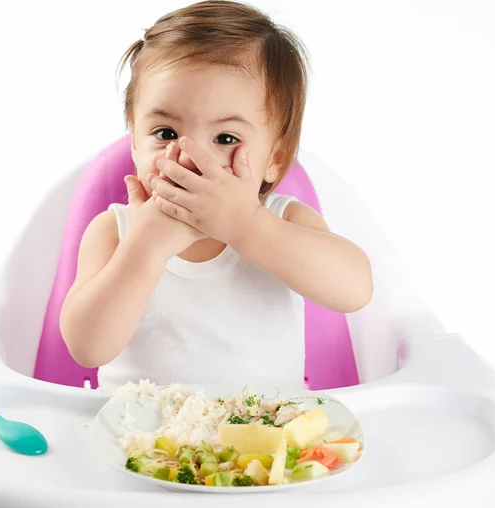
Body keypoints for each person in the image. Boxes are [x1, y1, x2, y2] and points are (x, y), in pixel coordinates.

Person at [60, 0, 373, 391]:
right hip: (142, 442)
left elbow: (355, 290)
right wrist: (145, 248)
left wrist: (245, 225)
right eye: (165, 133)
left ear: (274, 159)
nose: (191, 156)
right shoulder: (115, 230)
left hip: (264, 441)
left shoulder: (283, 221)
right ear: (135, 143)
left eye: (226, 138)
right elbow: (87, 348)